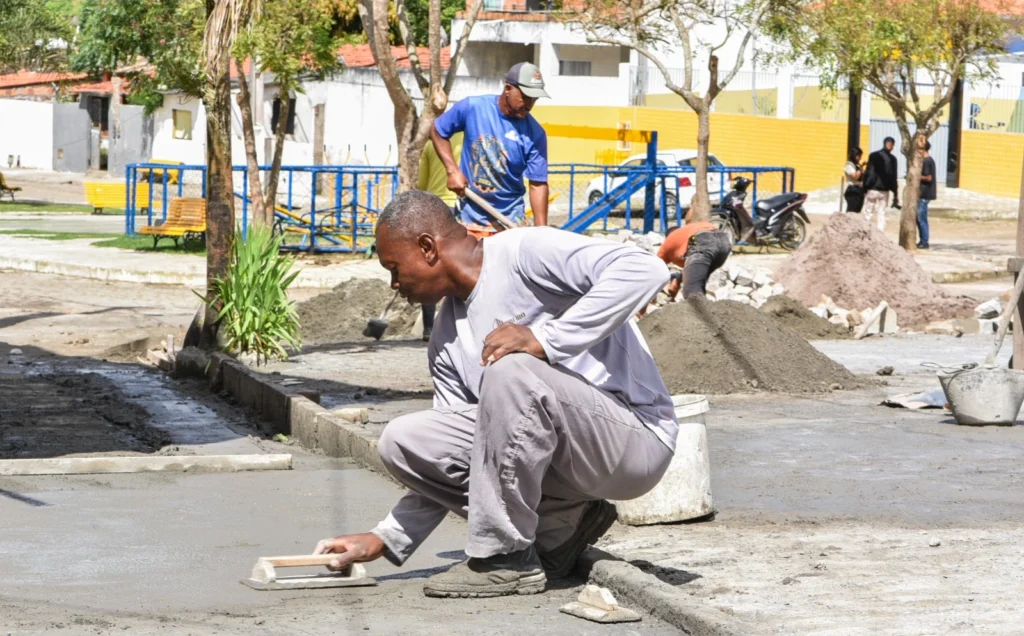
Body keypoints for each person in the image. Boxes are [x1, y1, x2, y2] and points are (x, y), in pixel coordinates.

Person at [313, 191, 677, 598]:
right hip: (568, 471)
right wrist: (388, 537)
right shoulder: (446, 341)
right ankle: (558, 528)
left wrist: (546, 338)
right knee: (404, 440)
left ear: (428, 248)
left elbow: (645, 270)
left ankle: (504, 558)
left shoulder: (525, 251)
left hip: (633, 441)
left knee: (512, 368)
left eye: (395, 268)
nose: (396, 285)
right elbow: (469, 456)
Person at [430, 62, 550, 230]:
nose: (530, 103)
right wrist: (452, 171)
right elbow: (438, 130)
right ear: (508, 88)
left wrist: (541, 231)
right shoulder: (473, 108)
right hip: (469, 215)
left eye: (535, 98)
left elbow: (537, 184)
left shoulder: (535, 134)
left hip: (510, 219)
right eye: (526, 96)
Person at [416, 132, 464, 340]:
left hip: (432, 208)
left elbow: (422, 185)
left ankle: (428, 327)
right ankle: (456, 326)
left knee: (430, 266)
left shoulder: (430, 145)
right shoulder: (468, 140)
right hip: (460, 208)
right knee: (459, 267)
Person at [657, 222, 732, 300]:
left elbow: (654, 267)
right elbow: (693, 270)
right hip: (723, 241)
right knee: (698, 284)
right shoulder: (686, 232)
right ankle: (704, 308)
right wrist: (678, 279)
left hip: (703, 239)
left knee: (692, 291)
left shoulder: (668, 241)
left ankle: (700, 311)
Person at [862, 137, 899, 231]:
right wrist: (895, 192)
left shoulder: (874, 156)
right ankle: (880, 233)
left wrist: (865, 187)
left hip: (873, 188)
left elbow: (870, 172)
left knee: (868, 211)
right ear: (892, 146)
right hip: (884, 190)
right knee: (881, 213)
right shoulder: (893, 159)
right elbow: (893, 177)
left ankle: (865, 231)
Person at [917, 141, 936, 250]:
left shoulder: (927, 161)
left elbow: (929, 178)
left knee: (921, 217)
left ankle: (924, 241)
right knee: (919, 217)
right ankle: (922, 240)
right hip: (923, 194)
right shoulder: (928, 161)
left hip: (925, 193)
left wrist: (916, 176)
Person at [843, 147, 864, 213]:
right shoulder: (849, 165)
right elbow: (855, 176)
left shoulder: (857, 165)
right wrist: (861, 169)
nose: (860, 158)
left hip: (859, 190)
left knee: (857, 210)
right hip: (852, 190)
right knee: (851, 211)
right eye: (858, 156)